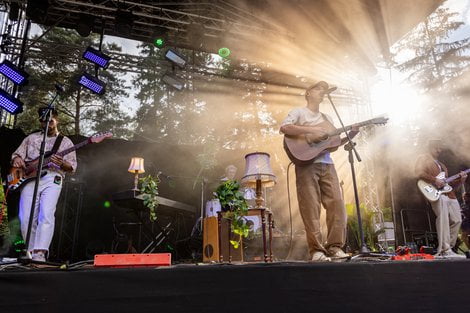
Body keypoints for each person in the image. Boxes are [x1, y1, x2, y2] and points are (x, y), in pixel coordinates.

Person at [280, 81, 359, 262]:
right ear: (308, 93)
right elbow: (285, 128)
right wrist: (312, 129)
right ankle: (316, 250)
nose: (322, 92)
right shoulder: (299, 112)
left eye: (324, 90)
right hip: (306, 164)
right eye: (318, 89)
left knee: (337, 205)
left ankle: (334, 247)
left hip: (327, 164)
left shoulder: (327, 117)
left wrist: (352, 134)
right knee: (311, 207)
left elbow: (332, 144)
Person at [11, 108, 76, 261]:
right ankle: (30, 251)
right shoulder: (31, 138)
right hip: (29, 178)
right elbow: (16, 155)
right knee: (26, 216)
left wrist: (62, 163)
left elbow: (72, 167)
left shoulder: (66, 142)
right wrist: (16, 160)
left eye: (51, 121)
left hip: (53, 177)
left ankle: (40, 253)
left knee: (46, 214)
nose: (47, 124)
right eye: (43, 121)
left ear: (57, 120)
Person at [415, 139, 467, 259]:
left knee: (457, 219)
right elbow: (418, 172)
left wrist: (461, 181)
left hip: (449, 194)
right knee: (443, 218)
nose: (439, 151)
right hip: (436, 194)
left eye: (440, 148)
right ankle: (445, 249)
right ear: (430, 147)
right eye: (436, 148)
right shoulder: (423, 158)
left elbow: (448, 184)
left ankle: (449, 247)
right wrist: (434, 180)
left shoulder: (442, 165)